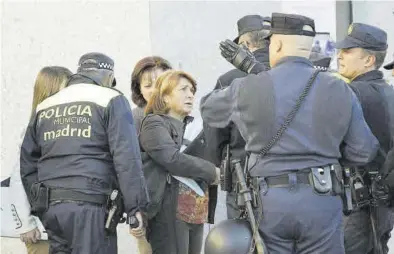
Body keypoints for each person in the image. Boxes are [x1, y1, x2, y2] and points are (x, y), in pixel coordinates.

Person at [201, 13, 379, 254]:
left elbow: (208, 109)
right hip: (322, 198)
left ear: (278, 44)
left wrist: (254, 75)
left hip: (268, 202)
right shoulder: (339, 88)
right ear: (307, 49)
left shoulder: (248, 86)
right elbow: (364, 150)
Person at [20, 52, 149, 254]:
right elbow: (127, 159)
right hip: (92, 207)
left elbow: (28, 162)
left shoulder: (45, 105)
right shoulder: (111, 98)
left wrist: (41, 205)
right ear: (108, 75)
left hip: (53, 211)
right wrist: (136, 208)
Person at [139, 70, 220, 254]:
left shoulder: (196, 127)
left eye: (192, 90)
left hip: (196, 208)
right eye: (183, 89)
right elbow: (171, 158)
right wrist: (212, 171)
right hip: (169, 209)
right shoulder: (153, 123)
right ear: (165, 97)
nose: (190, 94)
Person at [203, 14, 271, 220]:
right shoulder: (294, 76)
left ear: (245, 44)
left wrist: (215, 160)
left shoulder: (229, 80)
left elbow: (214, 134)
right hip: (291, 181)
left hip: (244, 180)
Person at [335, 23, 394, 254]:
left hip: (354, 205)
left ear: (369, 60)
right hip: (381, 204)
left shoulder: (351, 94)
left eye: (348, 51)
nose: (340, 55)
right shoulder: (389, 92)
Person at [5, 66, 72, 254]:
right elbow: (20, 177)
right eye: (66, 89)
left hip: (70, 228)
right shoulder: (34, 129)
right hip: (42, 232)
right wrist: (25, 224)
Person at [131, 56, 172, 133]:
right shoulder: (134, 119)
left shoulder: (181, 110)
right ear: (139, 89)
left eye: (160, 84)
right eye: (148, 85)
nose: (154, 90)